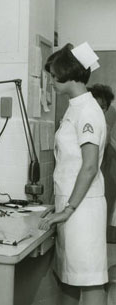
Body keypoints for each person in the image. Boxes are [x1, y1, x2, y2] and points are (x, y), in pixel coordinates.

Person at [39, 42, 108, 305]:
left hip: (82, 209)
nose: (52, 82)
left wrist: (67, 209)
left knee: (89, 280)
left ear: (69, 74)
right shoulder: (75, 107)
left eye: (54, 76)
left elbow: (89, 166)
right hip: (72, 205)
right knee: (70, 276)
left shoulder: (88, 110)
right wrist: (58, 207)